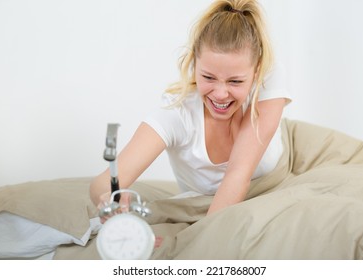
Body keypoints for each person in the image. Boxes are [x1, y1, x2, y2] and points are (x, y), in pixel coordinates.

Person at [90, 0, 291, 217]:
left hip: (288, 165)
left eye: (235, 82)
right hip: (214, 204)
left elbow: (238, 173)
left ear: (257, 70)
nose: (221, 93)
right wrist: (108, 198)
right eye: (208, 77)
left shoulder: (269, 75)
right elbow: (102, 183)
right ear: (194, 63)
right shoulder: (177, 115)